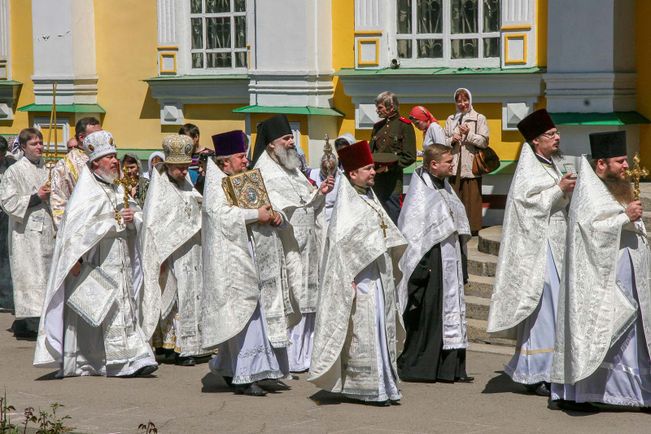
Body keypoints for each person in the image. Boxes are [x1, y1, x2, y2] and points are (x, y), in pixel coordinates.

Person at [34, 130, 158, 378]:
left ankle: (134, 357)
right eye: (109, 157)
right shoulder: (86, 194)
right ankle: (100, 361)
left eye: (115, 156)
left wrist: (135, 219)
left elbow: (137, 217)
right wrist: (113, 222)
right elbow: (76, 233)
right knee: (102, 312)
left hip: (120, 259)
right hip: (98, 263)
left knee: (125, 307)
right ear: (95, 163)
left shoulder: (118, 188)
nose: (115, 161)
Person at [551, 131, 651, 410]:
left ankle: (638, 392)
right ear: (601, 165)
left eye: (625, 160)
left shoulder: (620, 186)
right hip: (602, 276)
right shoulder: (589, 193)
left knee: (634, 334)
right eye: (620, 161)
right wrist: (625, 217)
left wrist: (630, 219)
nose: (626, 166)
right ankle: (586, 392)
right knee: (607, 331)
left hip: (629, 271)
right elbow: (590, 231)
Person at [309, 140, 407, 405]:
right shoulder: (347, 201)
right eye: (367, 168)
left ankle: (384, 384)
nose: (373, 172)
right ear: (353, 174)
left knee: (379, 326)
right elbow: (342, 242)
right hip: (360, 278)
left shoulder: (368, 195)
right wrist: (347, 278)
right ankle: (363, 386)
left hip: (378, 275)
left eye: (373, 167)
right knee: (364, 329)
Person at [486, 109, 575, 396]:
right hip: (540, 247)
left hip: (557, 241)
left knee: (555, 305)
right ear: (536, 141)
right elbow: (526, 205)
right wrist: (558, 190)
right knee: (544, 304)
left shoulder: (551, 164)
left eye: (556, 132)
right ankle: (538, 372)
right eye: (551, 134)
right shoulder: (529, 167)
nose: (557, 137)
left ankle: (547, 369)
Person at [202, 130, 297, 396]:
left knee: (258, 316)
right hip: (233, 263)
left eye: (244, 156)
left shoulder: (245, 180)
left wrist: (276, 217)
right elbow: (219, 215)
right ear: (225, 162)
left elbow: (268, 208)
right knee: (244, 316)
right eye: (240, 156)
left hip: (256, 257)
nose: (245, 161)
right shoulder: (216, 183)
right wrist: (256, 214)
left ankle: (246, 369)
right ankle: (245, 376)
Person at [254, 114, 334, 373]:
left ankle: (307, 355)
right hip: (286, 246)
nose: (291, 143)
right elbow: (274, 208)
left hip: (307, 243)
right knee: (294, 297)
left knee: (309, 298)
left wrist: (320, 194)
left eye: (291, 138)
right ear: (271, 145)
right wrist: (311, 201)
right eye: (286, 138)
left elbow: (308, 201)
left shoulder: (293, 169)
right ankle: (290, 356)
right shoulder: (265, 172)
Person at [396, 144, 472, 383]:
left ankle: (449, 368)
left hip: (451, 258)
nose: (452, 165)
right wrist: (423, 267)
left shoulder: (446, 187)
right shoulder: (421, 194)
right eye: (448, 162)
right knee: (430, 314)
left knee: (449, 310)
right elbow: (414, 231)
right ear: (433, 165)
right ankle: (422, 367)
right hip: (431, 263)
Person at [140, 135, 208, 367]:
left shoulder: (186, 183)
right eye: (178, 168)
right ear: (168, 165)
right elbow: (154, 224)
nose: (182, 172)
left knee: (192, 295)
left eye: (185, 167)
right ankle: (174, 347)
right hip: (171, 253)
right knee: (175, 298)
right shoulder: (159, 188)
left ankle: (193, 344)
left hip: (192, 251)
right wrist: (159, 255)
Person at [0, 129, 55, 339]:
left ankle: (44, 320)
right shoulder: (15, 171)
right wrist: (37, 196)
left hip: (48, 230)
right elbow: (8, 202)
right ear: (23, 147)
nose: (39, 147)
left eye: (41, 143)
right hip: (26, 233)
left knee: (47, 275)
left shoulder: (48, 168)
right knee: (31, 276)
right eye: (34, 144)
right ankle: (31, 321)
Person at [444, 88, 489, 234]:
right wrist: (452, 139)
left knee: (472, 197)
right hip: (454, 164)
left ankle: (473, 228)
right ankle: (456, 228)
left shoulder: (479, 118)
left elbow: (484, 142)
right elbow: (443, 141)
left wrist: (468, 134)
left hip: (471, 165)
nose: (462, 104)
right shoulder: (451, 120)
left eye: (465, 100)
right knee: (455, 197)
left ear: (470, 100)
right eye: (459, 101)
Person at [369, 91, 417, 224]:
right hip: (376, 180)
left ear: (391, 107)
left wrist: (388, 168)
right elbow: (370, 152)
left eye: (380, 107)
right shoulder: (377, 127)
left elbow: (410, 156)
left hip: (393, 181)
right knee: (377, 215)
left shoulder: (404, 126)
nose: (377, 110)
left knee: (393, 215)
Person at [50, 117, 101, 228]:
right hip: (80, 226)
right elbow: (58, 202)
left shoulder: (105, 158)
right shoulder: (64, 165)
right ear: (82, 137)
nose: (100, 138)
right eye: (96, 135)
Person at [308, 134, 355, 223]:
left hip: (337, 217)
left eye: (331, 168)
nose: (328, 172)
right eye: (325, 169)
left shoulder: (342, 177)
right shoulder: (312, 175)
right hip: (317, 218)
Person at [0, 136, 15, 312]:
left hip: (5, 215)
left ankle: (6, 297)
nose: (1, 157)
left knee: (6, 255)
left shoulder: (11, 164)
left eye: (3, 153)